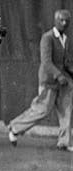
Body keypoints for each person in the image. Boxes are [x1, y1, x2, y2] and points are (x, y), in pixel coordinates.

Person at [7, 10, 73, 151]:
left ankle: (64, 143)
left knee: (66, 112)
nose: (64, 23)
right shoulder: (47, 37)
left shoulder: (65, 39)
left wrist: (69, 73)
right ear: (55, 21)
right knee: (41, 110)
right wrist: (58, 76)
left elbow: (65, 62)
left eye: (67, 21)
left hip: (64, 83)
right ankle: (14, 127)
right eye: (62, 20)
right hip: (49, 81)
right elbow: (46, 62)